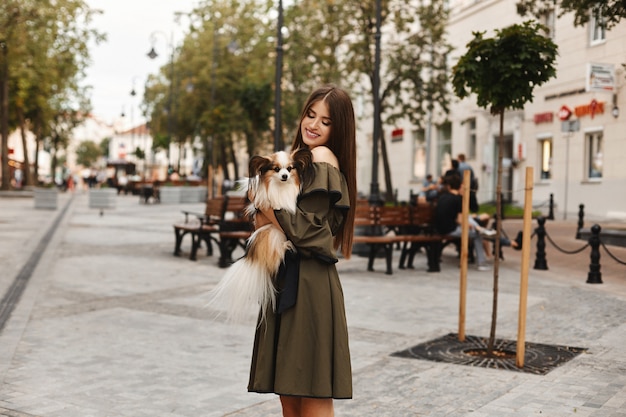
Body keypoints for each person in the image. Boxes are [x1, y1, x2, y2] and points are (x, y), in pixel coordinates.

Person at [248, 85, 356, 417]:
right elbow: (264, 226)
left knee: (311, 394)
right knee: (290, 396)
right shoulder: (296, 160)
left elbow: (310, 231)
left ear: (338, 129)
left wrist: (263, 207)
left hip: (310, 285)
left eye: (325, 121)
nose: (313, 125)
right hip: (287, 278)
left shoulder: (322, 157)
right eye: (310, 115)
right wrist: (264, 211)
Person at [434, 173, 520, 271]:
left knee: (476, 228)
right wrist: (469, 225)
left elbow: (451, 216)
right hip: (449, 229)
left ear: (449, 186)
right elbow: (460, 219)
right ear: (458, 186)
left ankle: (505, 241)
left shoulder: (443, 197)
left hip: (440, 227)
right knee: (477, 234)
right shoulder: (457, 199)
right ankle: (482, 263)